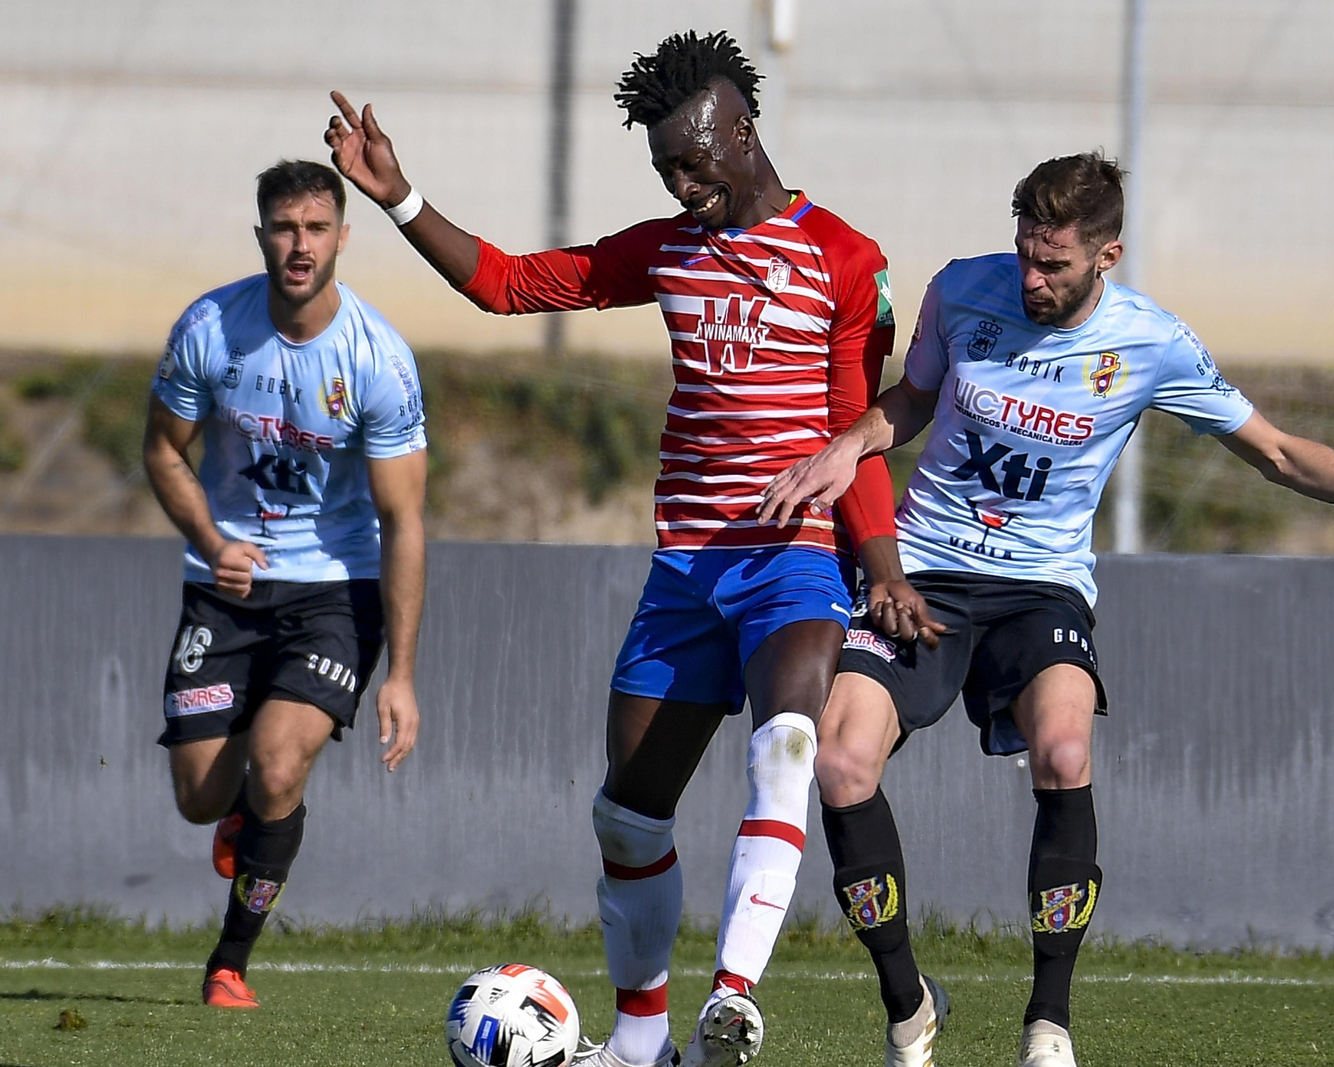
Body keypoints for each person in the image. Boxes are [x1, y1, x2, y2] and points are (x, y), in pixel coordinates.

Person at [757, 154, 1334, 1067]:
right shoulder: (963, 291)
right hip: (926, 566)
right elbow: (913, 401)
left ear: (1108, 254)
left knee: (1064, 749)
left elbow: (1279, 454)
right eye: (1024, 255)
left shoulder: (1152, 342)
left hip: (1042, 585)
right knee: (842, 762)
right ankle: (907, 1004)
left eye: (1053, 264)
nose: (1032, 279)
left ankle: (1047, 1024)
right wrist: (846, 449)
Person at [325, 31, 903, 1067]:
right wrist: (398, 197)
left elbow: (858, 429)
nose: (684, 185)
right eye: (664, 171)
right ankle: (642, 1047)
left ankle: (731, 999)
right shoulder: (665, 247)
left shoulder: (847, 261)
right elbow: (504, 283)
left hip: (793, 560)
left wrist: (885, 565)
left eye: (695, 162)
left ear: (742, 132)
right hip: (685, 571)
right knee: (628, 818)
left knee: (788, 745)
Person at [143, 160, 428, 1009]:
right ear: (260, 233)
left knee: (275, 765)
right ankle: (244, 818)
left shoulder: (378, 359)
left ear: (343, 236)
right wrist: (208, 537)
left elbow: (405, 521)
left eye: (315, 228)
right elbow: (162, 449)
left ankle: (228, 964)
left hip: (338, 591)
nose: (298, 245)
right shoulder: (210, 327)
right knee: (201, 799)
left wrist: (404, 675)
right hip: (225, 584)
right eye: (283, 227)